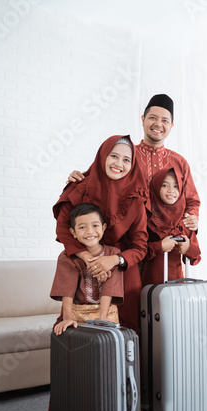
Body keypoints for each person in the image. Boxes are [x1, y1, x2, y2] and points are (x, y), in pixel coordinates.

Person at [53, 135, 149, 334]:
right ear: (103, 156)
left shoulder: (135, 198)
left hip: (122, 269)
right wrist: (90, 259)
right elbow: (63, 228)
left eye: (126, 160)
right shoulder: (79, 186)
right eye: (114, 156)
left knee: (125, 333)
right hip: (81, 262)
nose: (119, 164)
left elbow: (140, 247)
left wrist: (112, 260)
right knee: (75, 329)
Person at [66, 94, 200, 232]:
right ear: (143, 120)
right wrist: (77, 179)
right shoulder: (126, 155)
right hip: (129, 234)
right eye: (152, 118)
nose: (158, 124)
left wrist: (193, 217)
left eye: (165, 121)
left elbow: (192, 200)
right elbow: (97, 177)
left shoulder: (180, 162)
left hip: (169, 238)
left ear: (171, 126)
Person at [51, 203, 124, 335]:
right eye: (82, 227)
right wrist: (67, 318)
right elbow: (67, 288)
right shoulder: (67, 257)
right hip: (77, 314)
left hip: (106, 312)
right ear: (73, 233)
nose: (90, 232)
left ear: (104, 227)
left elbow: (110, 286)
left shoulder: (113, 254)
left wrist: (103, 316)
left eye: (95, 225)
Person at [142, 166, 201, 287]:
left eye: (175, 186)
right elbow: (138, 251)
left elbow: (196, 258)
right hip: (149, 286)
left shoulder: (184, 221)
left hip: (177, 285)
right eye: (164, 185)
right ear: (156, 187)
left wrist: (188, 248)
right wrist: (160, 246)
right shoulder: (147, 218)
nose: (171, 190)